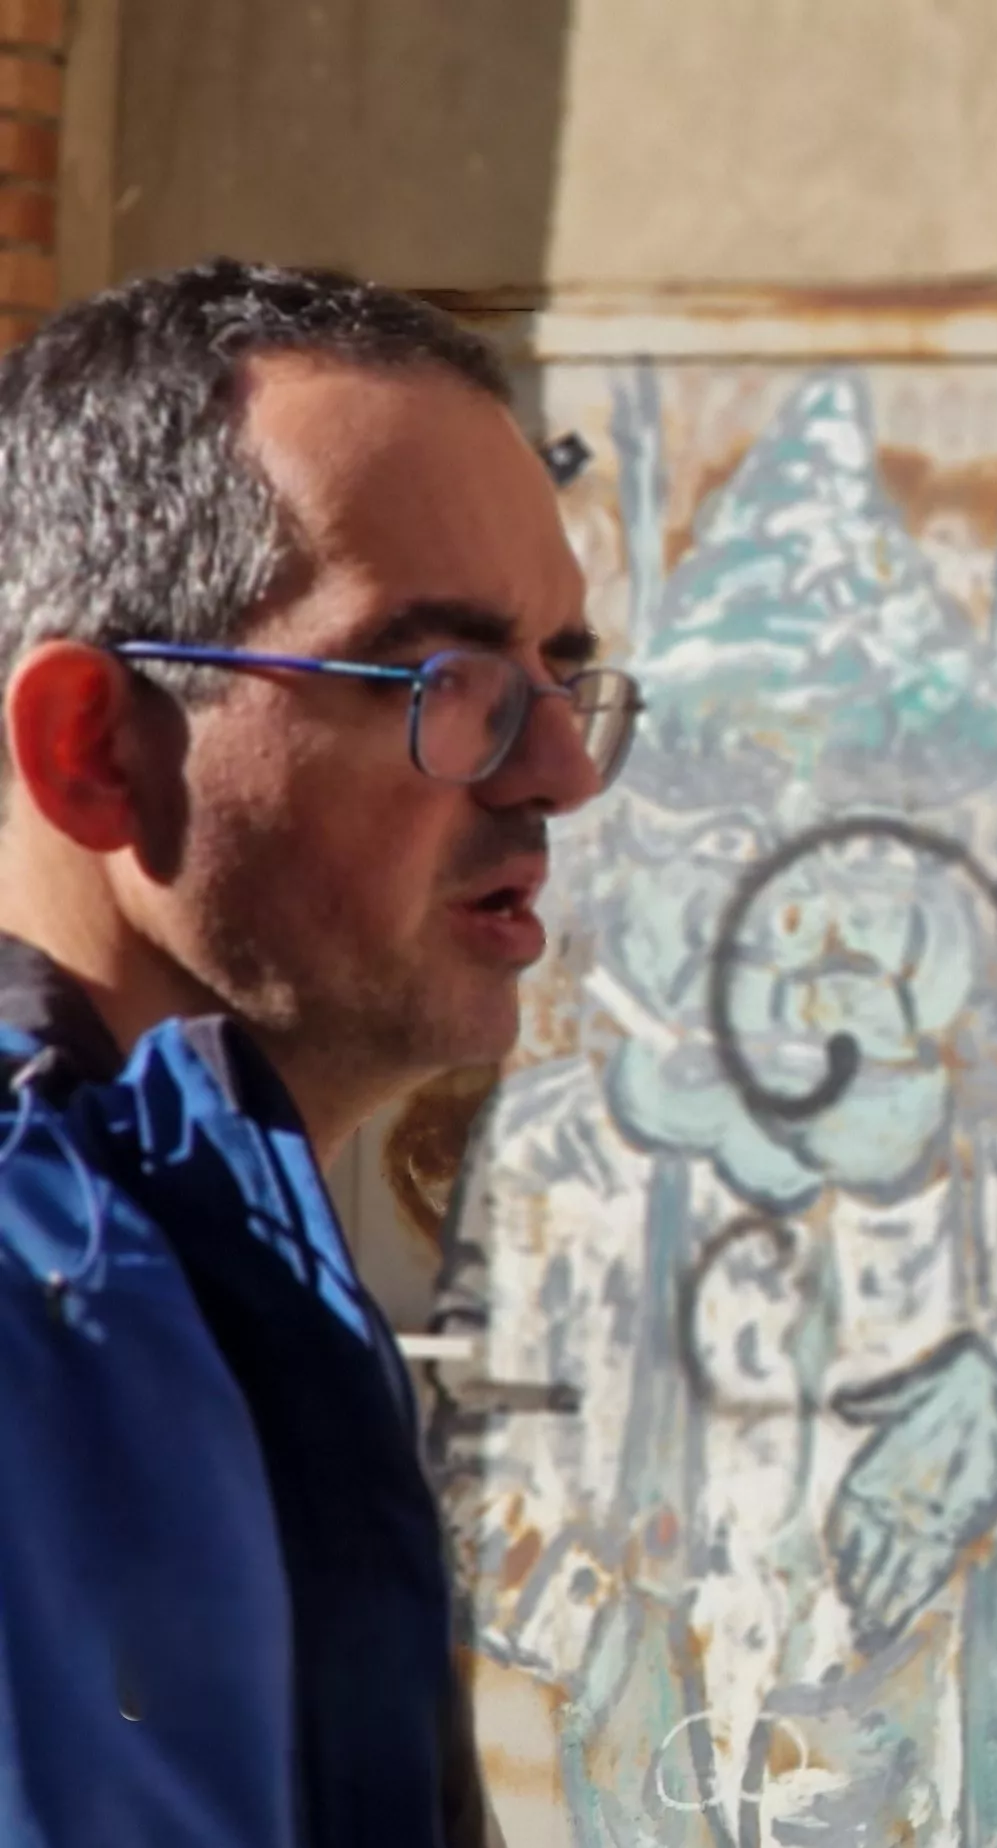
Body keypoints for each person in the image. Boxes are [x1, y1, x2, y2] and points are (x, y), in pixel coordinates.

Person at [0, 262, 627, 1846]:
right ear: (91, 745)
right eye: (445, 682)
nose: (557, 769)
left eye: (563, 674)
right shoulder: (42, 1281)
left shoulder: (213, 1237)